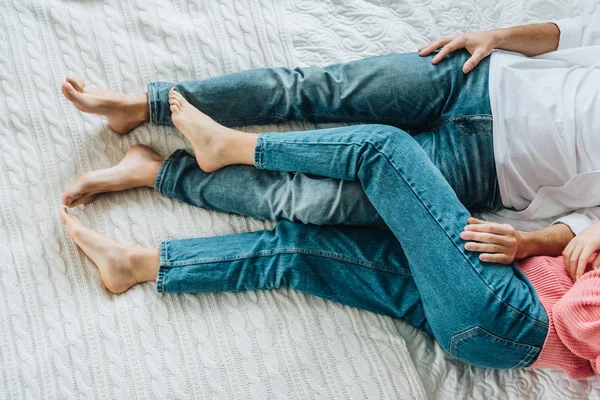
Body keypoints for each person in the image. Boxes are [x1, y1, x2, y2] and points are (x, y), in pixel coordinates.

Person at [58, 15, 600, 377]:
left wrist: (539, 239)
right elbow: (576, 31)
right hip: (482, 80)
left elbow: (577, 258)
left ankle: (186, 167)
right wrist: (500, 37)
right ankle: (144, 110)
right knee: (312, 88)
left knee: (318, 204)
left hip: (485, 181)